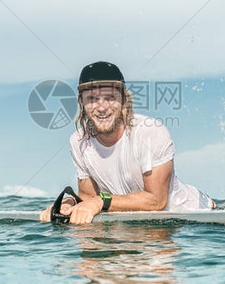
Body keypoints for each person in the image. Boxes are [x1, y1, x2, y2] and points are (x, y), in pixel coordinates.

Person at [40, 61, 214, 224]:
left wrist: (102, 201)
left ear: (124, 100)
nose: (101, 108)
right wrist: (68, 204)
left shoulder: (150, 132)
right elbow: (88, 195)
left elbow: (157, 201)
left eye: (110, 98)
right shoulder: (78, 141)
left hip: (195, 215)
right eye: (92, 99)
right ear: (81, 102)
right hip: (137, 223)